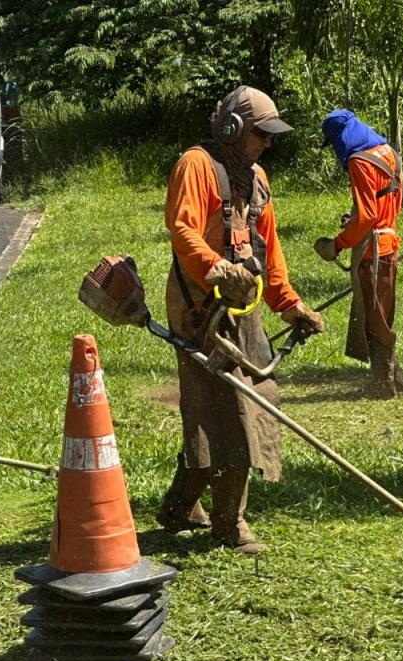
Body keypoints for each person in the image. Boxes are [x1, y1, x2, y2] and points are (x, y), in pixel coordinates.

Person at [159, 85, 324, 554]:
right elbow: (183, 229)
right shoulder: (196, 166)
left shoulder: (258, 179)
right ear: (232, 128)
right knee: (231, 409)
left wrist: (291, 306)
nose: (268, 143)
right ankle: (229, 523)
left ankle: (180, 506)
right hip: (200, 308)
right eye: (261, 133)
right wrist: (216, 268)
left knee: (239, 403)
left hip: (243, 305)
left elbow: (269, 253)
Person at [315, 110, 403, 399]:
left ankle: (383, 384)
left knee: (374, 318)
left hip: (372, 251)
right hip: (389, 244)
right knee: (382, 312)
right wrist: (355, 220)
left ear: (341, 137)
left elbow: (367, 217)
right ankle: (395, 378)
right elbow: (389, 202)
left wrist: (338, 244)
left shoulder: (359, 161)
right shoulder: (388, 152)